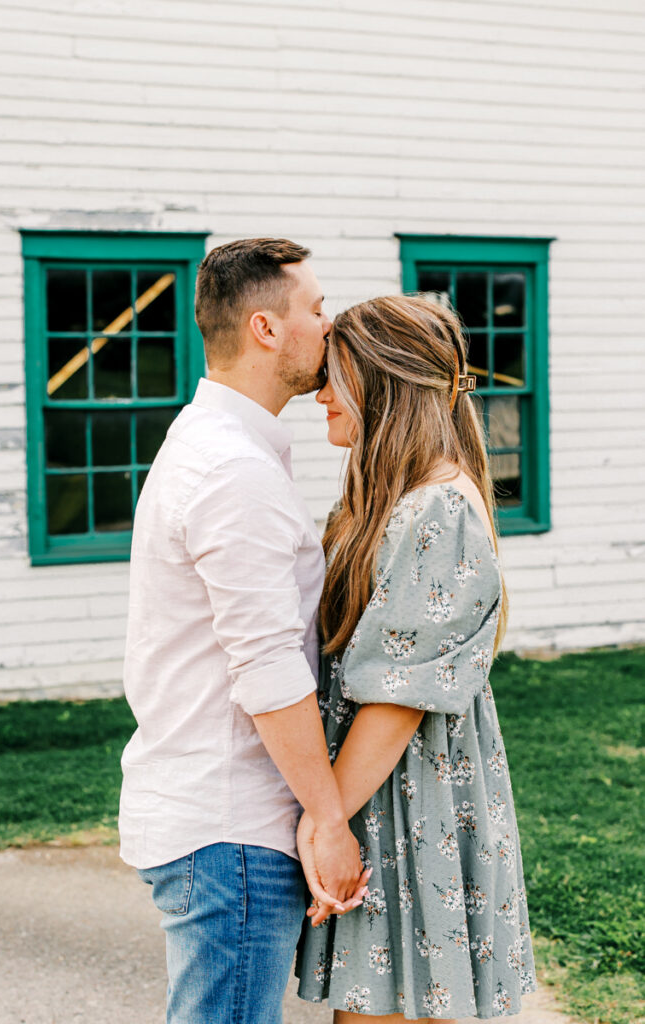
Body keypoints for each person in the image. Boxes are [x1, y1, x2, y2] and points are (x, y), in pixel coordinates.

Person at [118, 238, 368, 1024]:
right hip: (230, 825)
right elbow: (265, 667)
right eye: (317, 309)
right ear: (266, 329)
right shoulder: (232, 469)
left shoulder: (219, 446)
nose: (329, 327)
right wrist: (328, 820)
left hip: (207, 815)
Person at [295, 294, 537, 1021]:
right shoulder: (386, 494)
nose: (319, 396)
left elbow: (398, 695)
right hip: (377, 789)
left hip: (407, 795)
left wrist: (323, 818)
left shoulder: (437, 506)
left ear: (381, 383)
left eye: (333, 377)